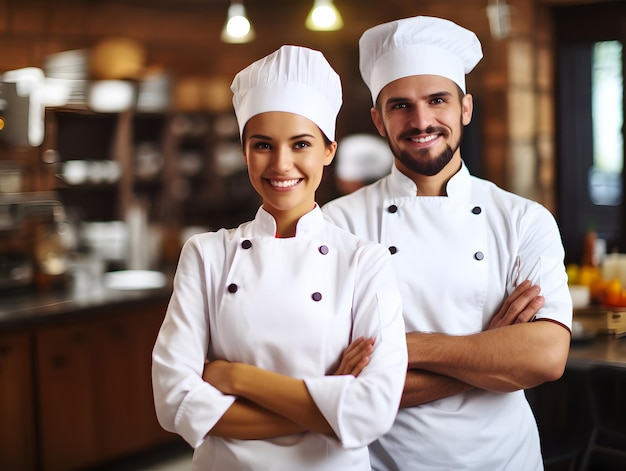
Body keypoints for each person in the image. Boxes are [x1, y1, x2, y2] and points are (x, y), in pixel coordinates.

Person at [322, 16, 573, 470]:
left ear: (465, 109)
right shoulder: (336, 226)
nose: (421, 121)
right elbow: (340, 385)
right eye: (400, 106)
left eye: (437, 100)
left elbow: (546, 357)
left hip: (503, 459)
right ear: (378, 119)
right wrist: (492, 351)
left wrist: (408, 346)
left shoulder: (523, 220)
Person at [152, 44, 407, 470]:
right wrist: (325, 404)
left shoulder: (364, 261)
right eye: (263, 145)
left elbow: (372, 411)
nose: (281, 164)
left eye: (301, 144)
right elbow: (174, 402)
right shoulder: (206, 255)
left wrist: (237, 378)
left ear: (329, 151)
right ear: (244, 151)